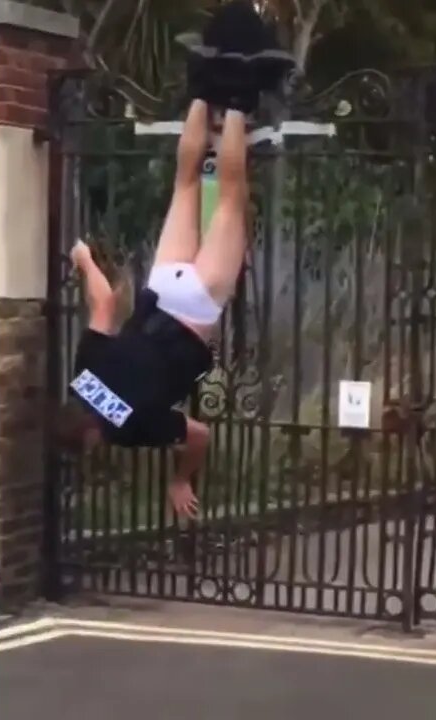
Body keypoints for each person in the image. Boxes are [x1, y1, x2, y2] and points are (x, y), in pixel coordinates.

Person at [52, 2, 289, 520]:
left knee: (230, 195)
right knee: (186, 183)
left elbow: (198, 433)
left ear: (91, 438)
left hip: (196, 310)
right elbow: (107, 302)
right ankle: (205, 89)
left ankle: (239, 95)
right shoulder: (82, 375)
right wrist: (84, 259)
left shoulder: (128, 428)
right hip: (162, 286)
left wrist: (181, 479)